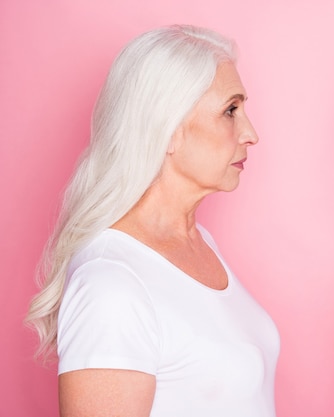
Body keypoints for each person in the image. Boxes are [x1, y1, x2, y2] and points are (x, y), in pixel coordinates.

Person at [25, 25, 279, 417]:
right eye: (230, 110)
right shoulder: (111, 284)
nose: (251, 133)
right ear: (167, 130)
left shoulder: (200, 242)